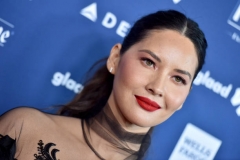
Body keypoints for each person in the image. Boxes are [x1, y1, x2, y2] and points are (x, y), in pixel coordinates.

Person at [0, 9, 207, 160]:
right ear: (116, 58)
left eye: (178, 79)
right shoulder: (22, 128)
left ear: (185, 96)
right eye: (149, 62)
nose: (157, 87)